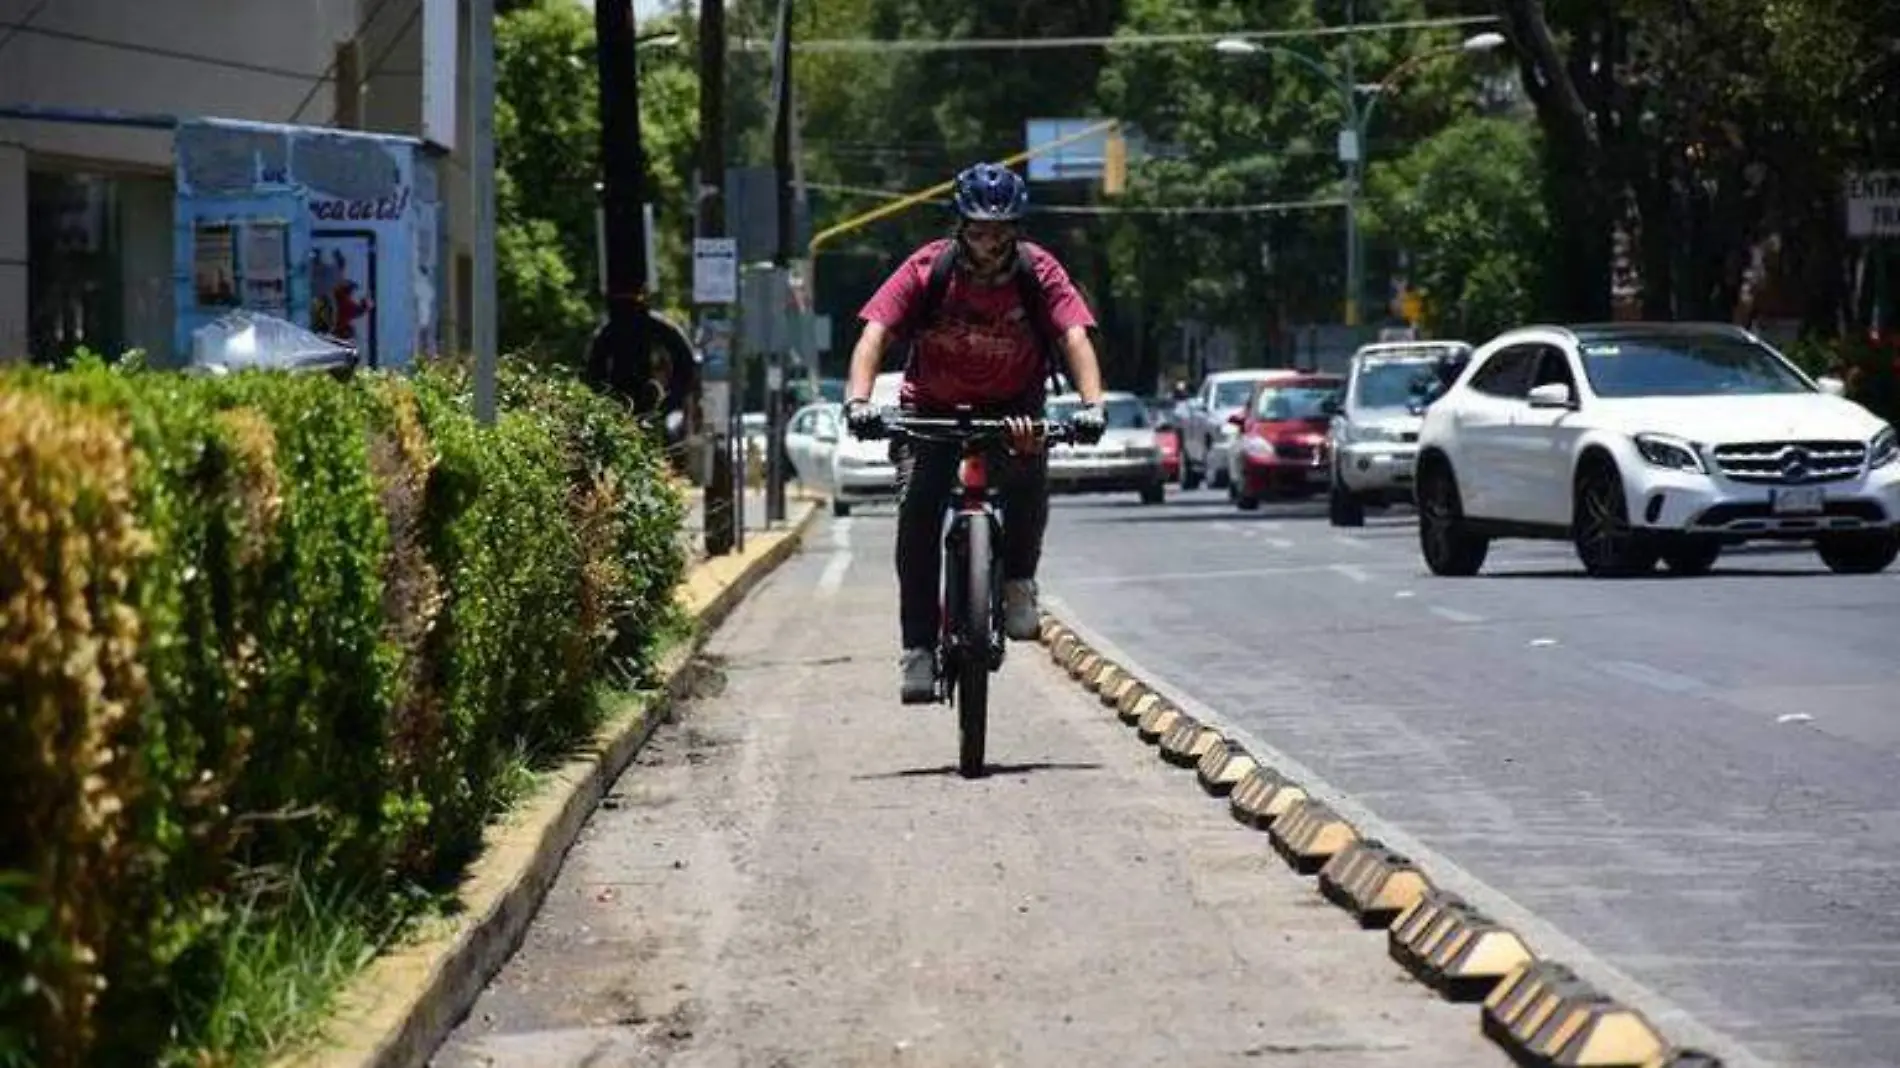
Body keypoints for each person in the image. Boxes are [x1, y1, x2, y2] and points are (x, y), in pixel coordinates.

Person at [842, 161, 1107, 703]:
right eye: (979, 230)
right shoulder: (926, 270)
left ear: (1018, 229)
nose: (990, 243)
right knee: (917, 514)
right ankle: (917, 648)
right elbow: (875, 335)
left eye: (1002, 230)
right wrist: (859, 401)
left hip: (1014, 406)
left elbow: (1075, 337)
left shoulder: (1040, 273)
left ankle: (1017, 584)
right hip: (930, 409)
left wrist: (1092, 405)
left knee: (1029, 474)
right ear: (959, 226)